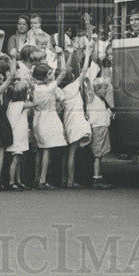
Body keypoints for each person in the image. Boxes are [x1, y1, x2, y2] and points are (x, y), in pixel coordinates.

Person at [58, 45, 93, 188]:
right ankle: (70, 180)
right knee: (73, 152)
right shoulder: (73, 87)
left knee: (67, 153)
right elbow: (84, 71)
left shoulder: (59, 90)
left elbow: (63, 70)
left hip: (67, 121)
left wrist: (65, 56)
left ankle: (64, 178)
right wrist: (88, 54)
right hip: (77, 121)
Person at [31, 62, 67, 189]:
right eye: (49, 74)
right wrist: (61, 56)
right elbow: (63, 73)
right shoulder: (49, 88)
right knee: (47, 149)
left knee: (40, 149)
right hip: (49, 118)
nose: (52, 76)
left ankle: (36, 178)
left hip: (38, 118)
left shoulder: (34, 87)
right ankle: (42, 180)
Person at [6, 73, 36, 190]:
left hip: (16, 134)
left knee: (18, 158)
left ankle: (17, 180)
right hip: (17, 135)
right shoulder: (21, 104)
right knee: (16, 159)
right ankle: (12, 181)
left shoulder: (11, 104)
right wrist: (33, 91)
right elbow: (36, 103)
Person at [87, 75, 115, 189]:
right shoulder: (93, 98)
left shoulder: (101, 101)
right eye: (104, 88)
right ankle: (96, 177)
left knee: (100, 153)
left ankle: (97, 175)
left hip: (102, 127)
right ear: (97, 90)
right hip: (98, 128)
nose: (106, 90)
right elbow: (89, 87)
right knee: (98, 154)